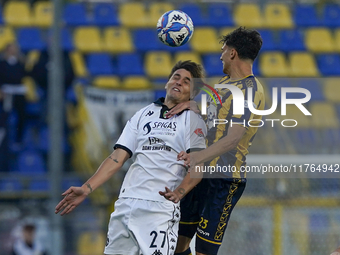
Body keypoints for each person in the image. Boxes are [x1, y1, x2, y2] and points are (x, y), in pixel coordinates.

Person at [55, 60, 207, 255]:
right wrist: (86, 188)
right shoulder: (143, 114)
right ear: (167, 82)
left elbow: (198, 170)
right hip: (126, 205)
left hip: (159, 209)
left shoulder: (193, 120)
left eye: (187, 81)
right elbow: (117, 157)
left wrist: (179, 193)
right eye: (175, 77)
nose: (179, 82)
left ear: (192, 93)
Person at [166, 27, 265, 255]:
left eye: (223, 51)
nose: (220, 56)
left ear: (232, 53)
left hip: (224, 179)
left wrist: (197, 156)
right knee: (177, 244)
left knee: (203, 250)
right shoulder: (223, 84)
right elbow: (214, 122)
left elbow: (232, 138)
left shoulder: (249, 90)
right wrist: (194, 107)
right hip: (200, 174)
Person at [0, 43, 28, 146]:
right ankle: (2, 138)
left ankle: (19, 140)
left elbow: (26, 76)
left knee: (21, 116)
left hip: (19, 92)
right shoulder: (2, 64)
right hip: (6, 93)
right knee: (4, 116)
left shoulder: (21, 63)